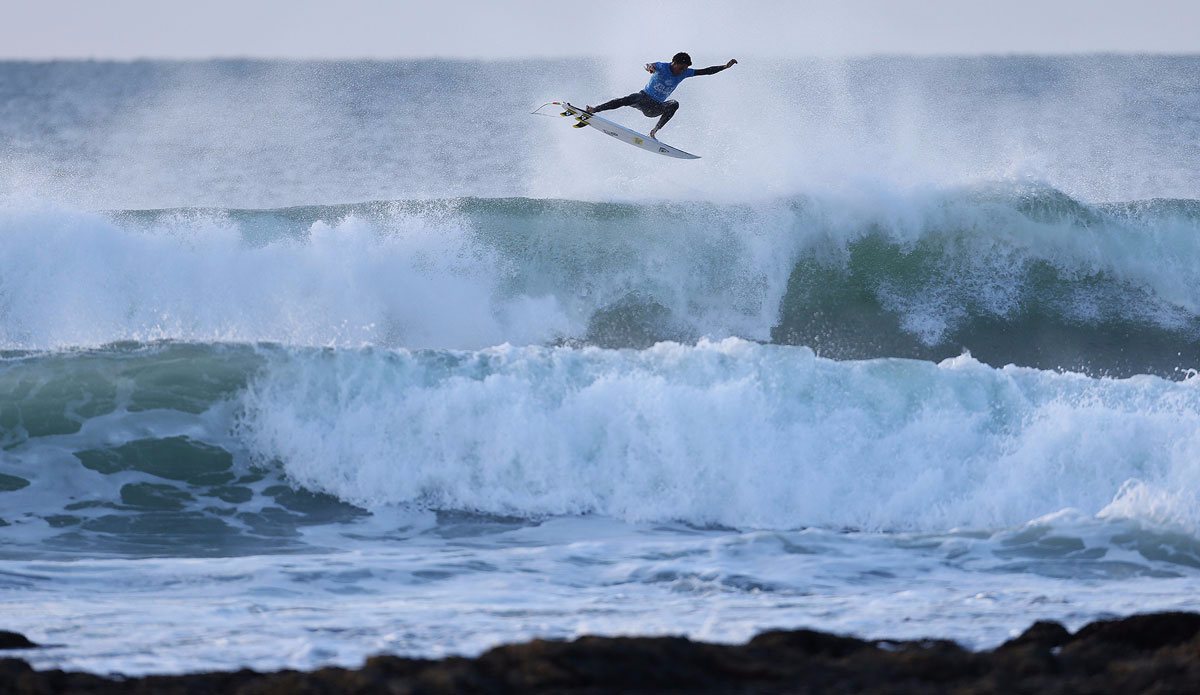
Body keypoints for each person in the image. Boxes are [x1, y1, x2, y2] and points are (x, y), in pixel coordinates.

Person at [586, 52, 738, 139]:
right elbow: (647, 65)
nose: (682, 71)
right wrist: (649, 68)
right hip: (643, 98)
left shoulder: (685, 73)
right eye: (681, 67)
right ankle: (594, 110)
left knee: (674, 104)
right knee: (627, 99)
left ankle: (653, 132)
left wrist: (724, 67)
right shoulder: (662, 66)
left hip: (656, 107)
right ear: (674, 62)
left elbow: (706, 71)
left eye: (685, 69)